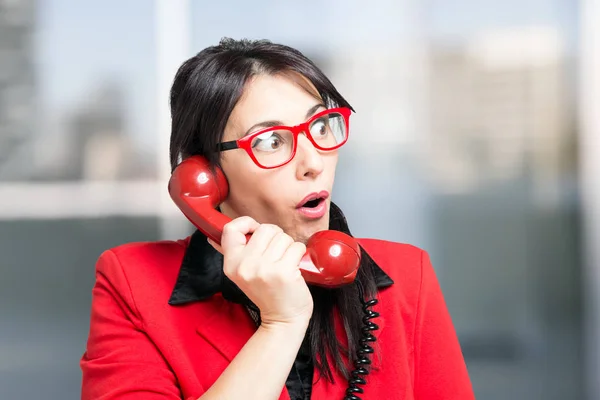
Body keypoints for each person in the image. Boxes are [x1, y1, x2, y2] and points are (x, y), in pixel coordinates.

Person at [80, 37, 475, 400]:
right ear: (207, 174)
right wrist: (281, 326)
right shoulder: (131, 281)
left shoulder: (408, 276)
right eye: (270, 141)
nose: (313, 163)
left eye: (321, 125)